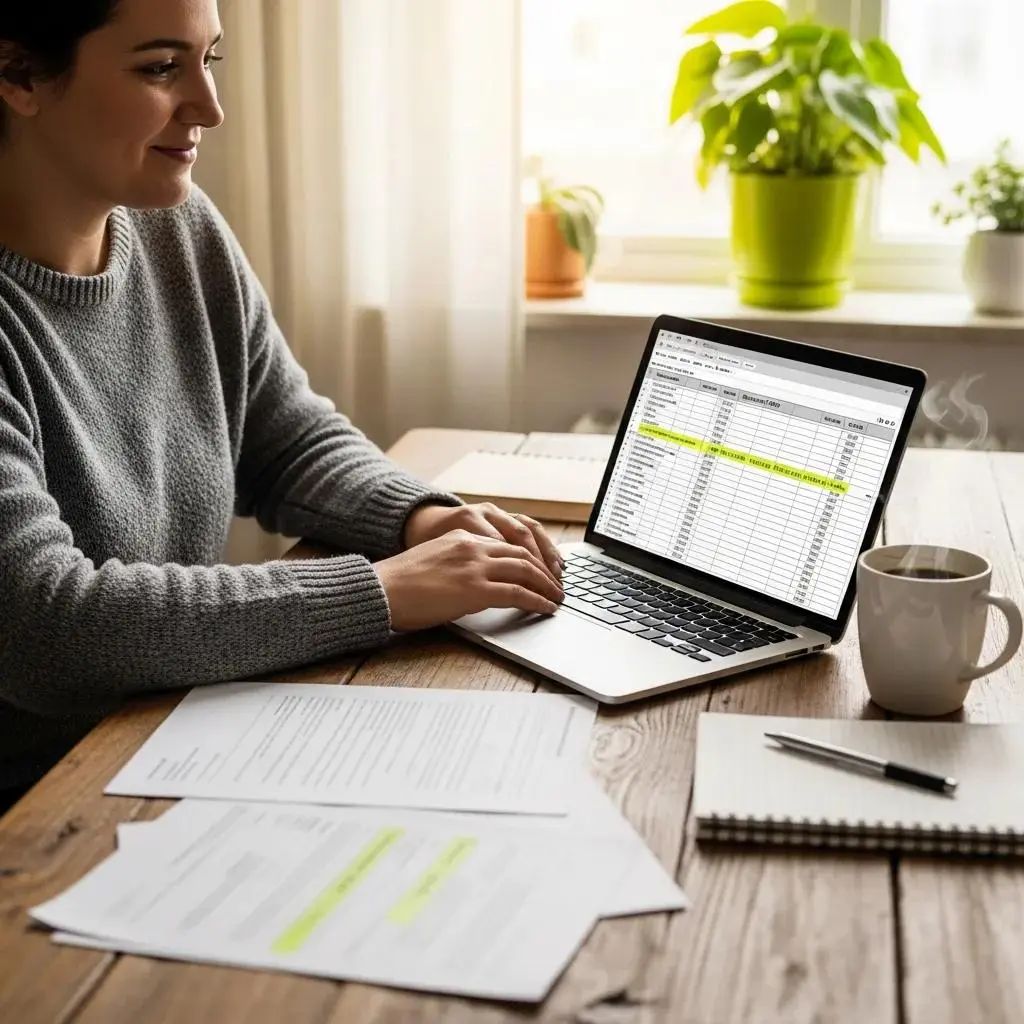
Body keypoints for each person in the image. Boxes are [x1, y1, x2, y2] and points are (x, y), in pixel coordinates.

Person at [0, 0, 564, 812]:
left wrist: (421, 519)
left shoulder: (178, 229)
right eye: (161, 68)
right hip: (38, 807)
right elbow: (49, 629)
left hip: (164, 739)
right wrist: (383, 591)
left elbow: (286, 439)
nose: (209, 108)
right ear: (18, 73)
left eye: (211, 61)